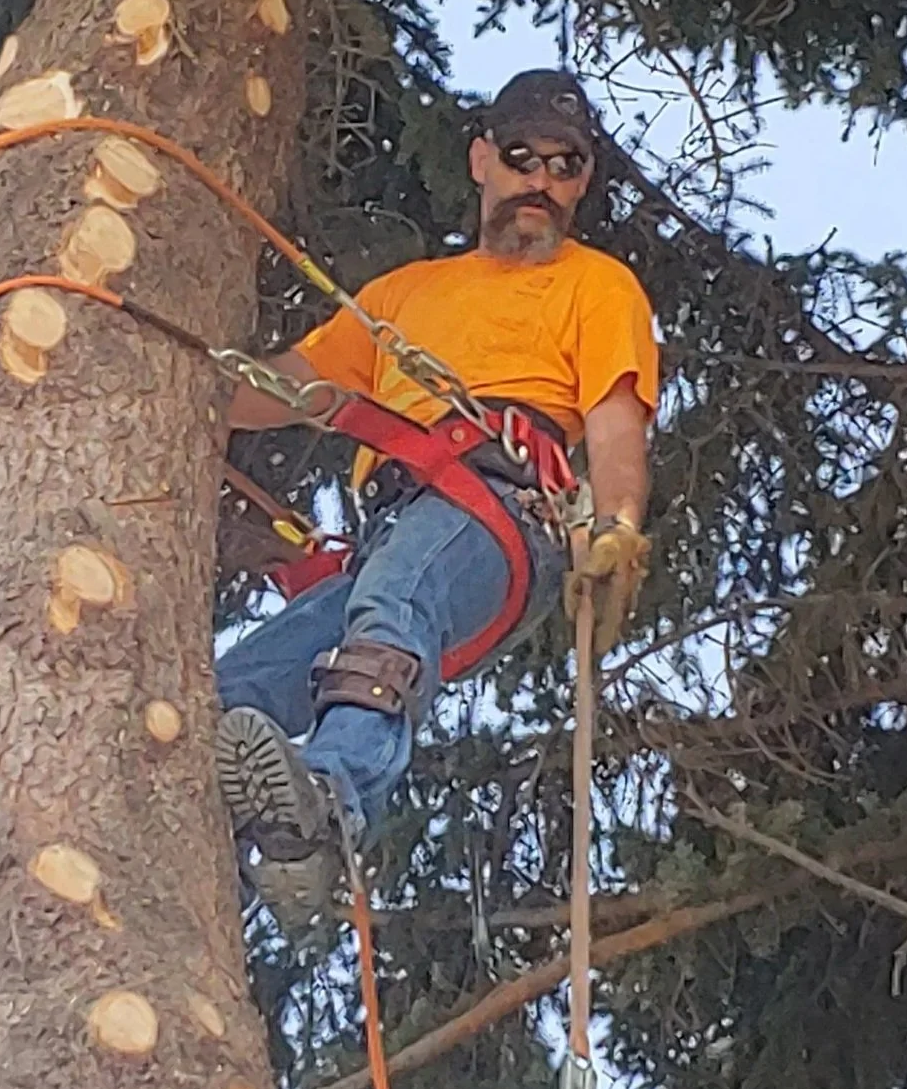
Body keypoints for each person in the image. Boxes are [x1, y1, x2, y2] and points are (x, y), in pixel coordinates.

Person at [214, 69, 659, 921]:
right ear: (482, 160)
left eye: (564, 167)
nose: (541, 182)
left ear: (583, 182)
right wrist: (173, 382)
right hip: (395, 520)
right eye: (523, 158)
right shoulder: (403, 296)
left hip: (499, 510)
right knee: (238, 682)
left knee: (393, 604)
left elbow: (612, 421)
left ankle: (331, 800)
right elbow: (277, 389)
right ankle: (222, 831)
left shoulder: (596, 285)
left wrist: (617, 527)